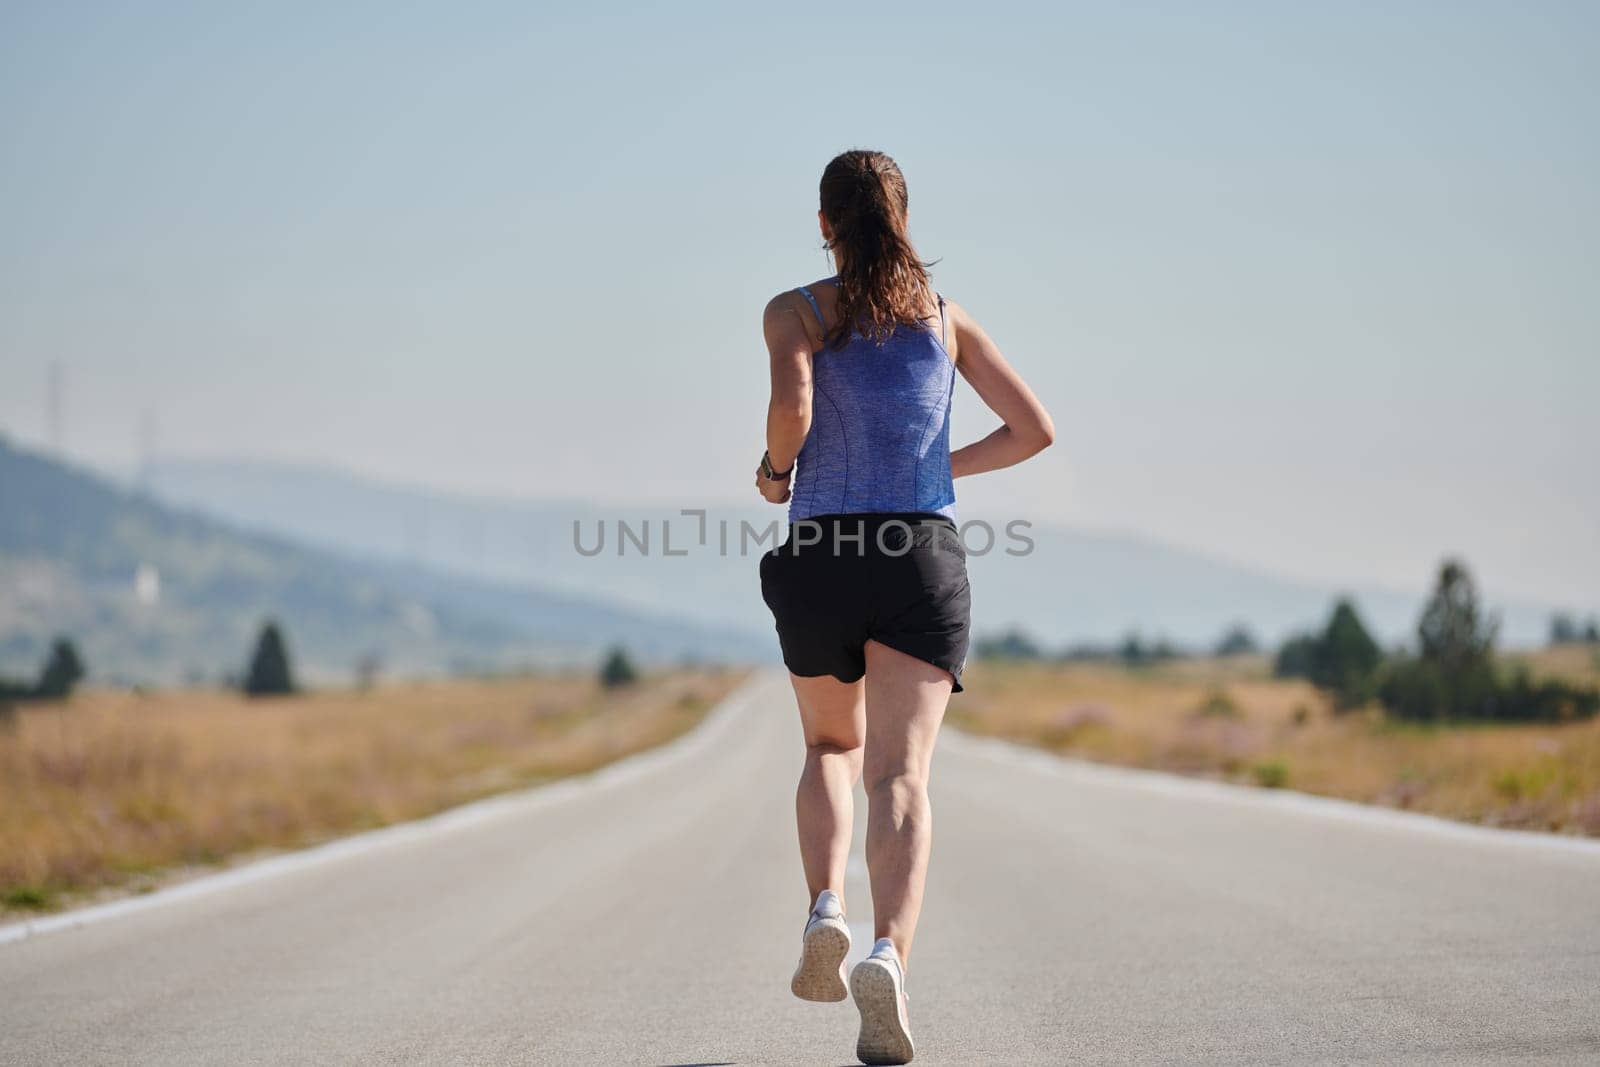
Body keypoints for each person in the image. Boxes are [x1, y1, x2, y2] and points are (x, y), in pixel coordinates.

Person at [755, 149, 1054, 1065]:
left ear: (824, 223)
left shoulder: (798, 310)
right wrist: (935, 469)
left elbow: (794, 408)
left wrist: (773, 475)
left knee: (829, 747)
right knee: (901, 773)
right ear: (903, 218)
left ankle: (826, 910)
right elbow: (1033, 430)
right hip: (918, 552)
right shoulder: (944, 317)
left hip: (823, 551)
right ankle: (888, 953)